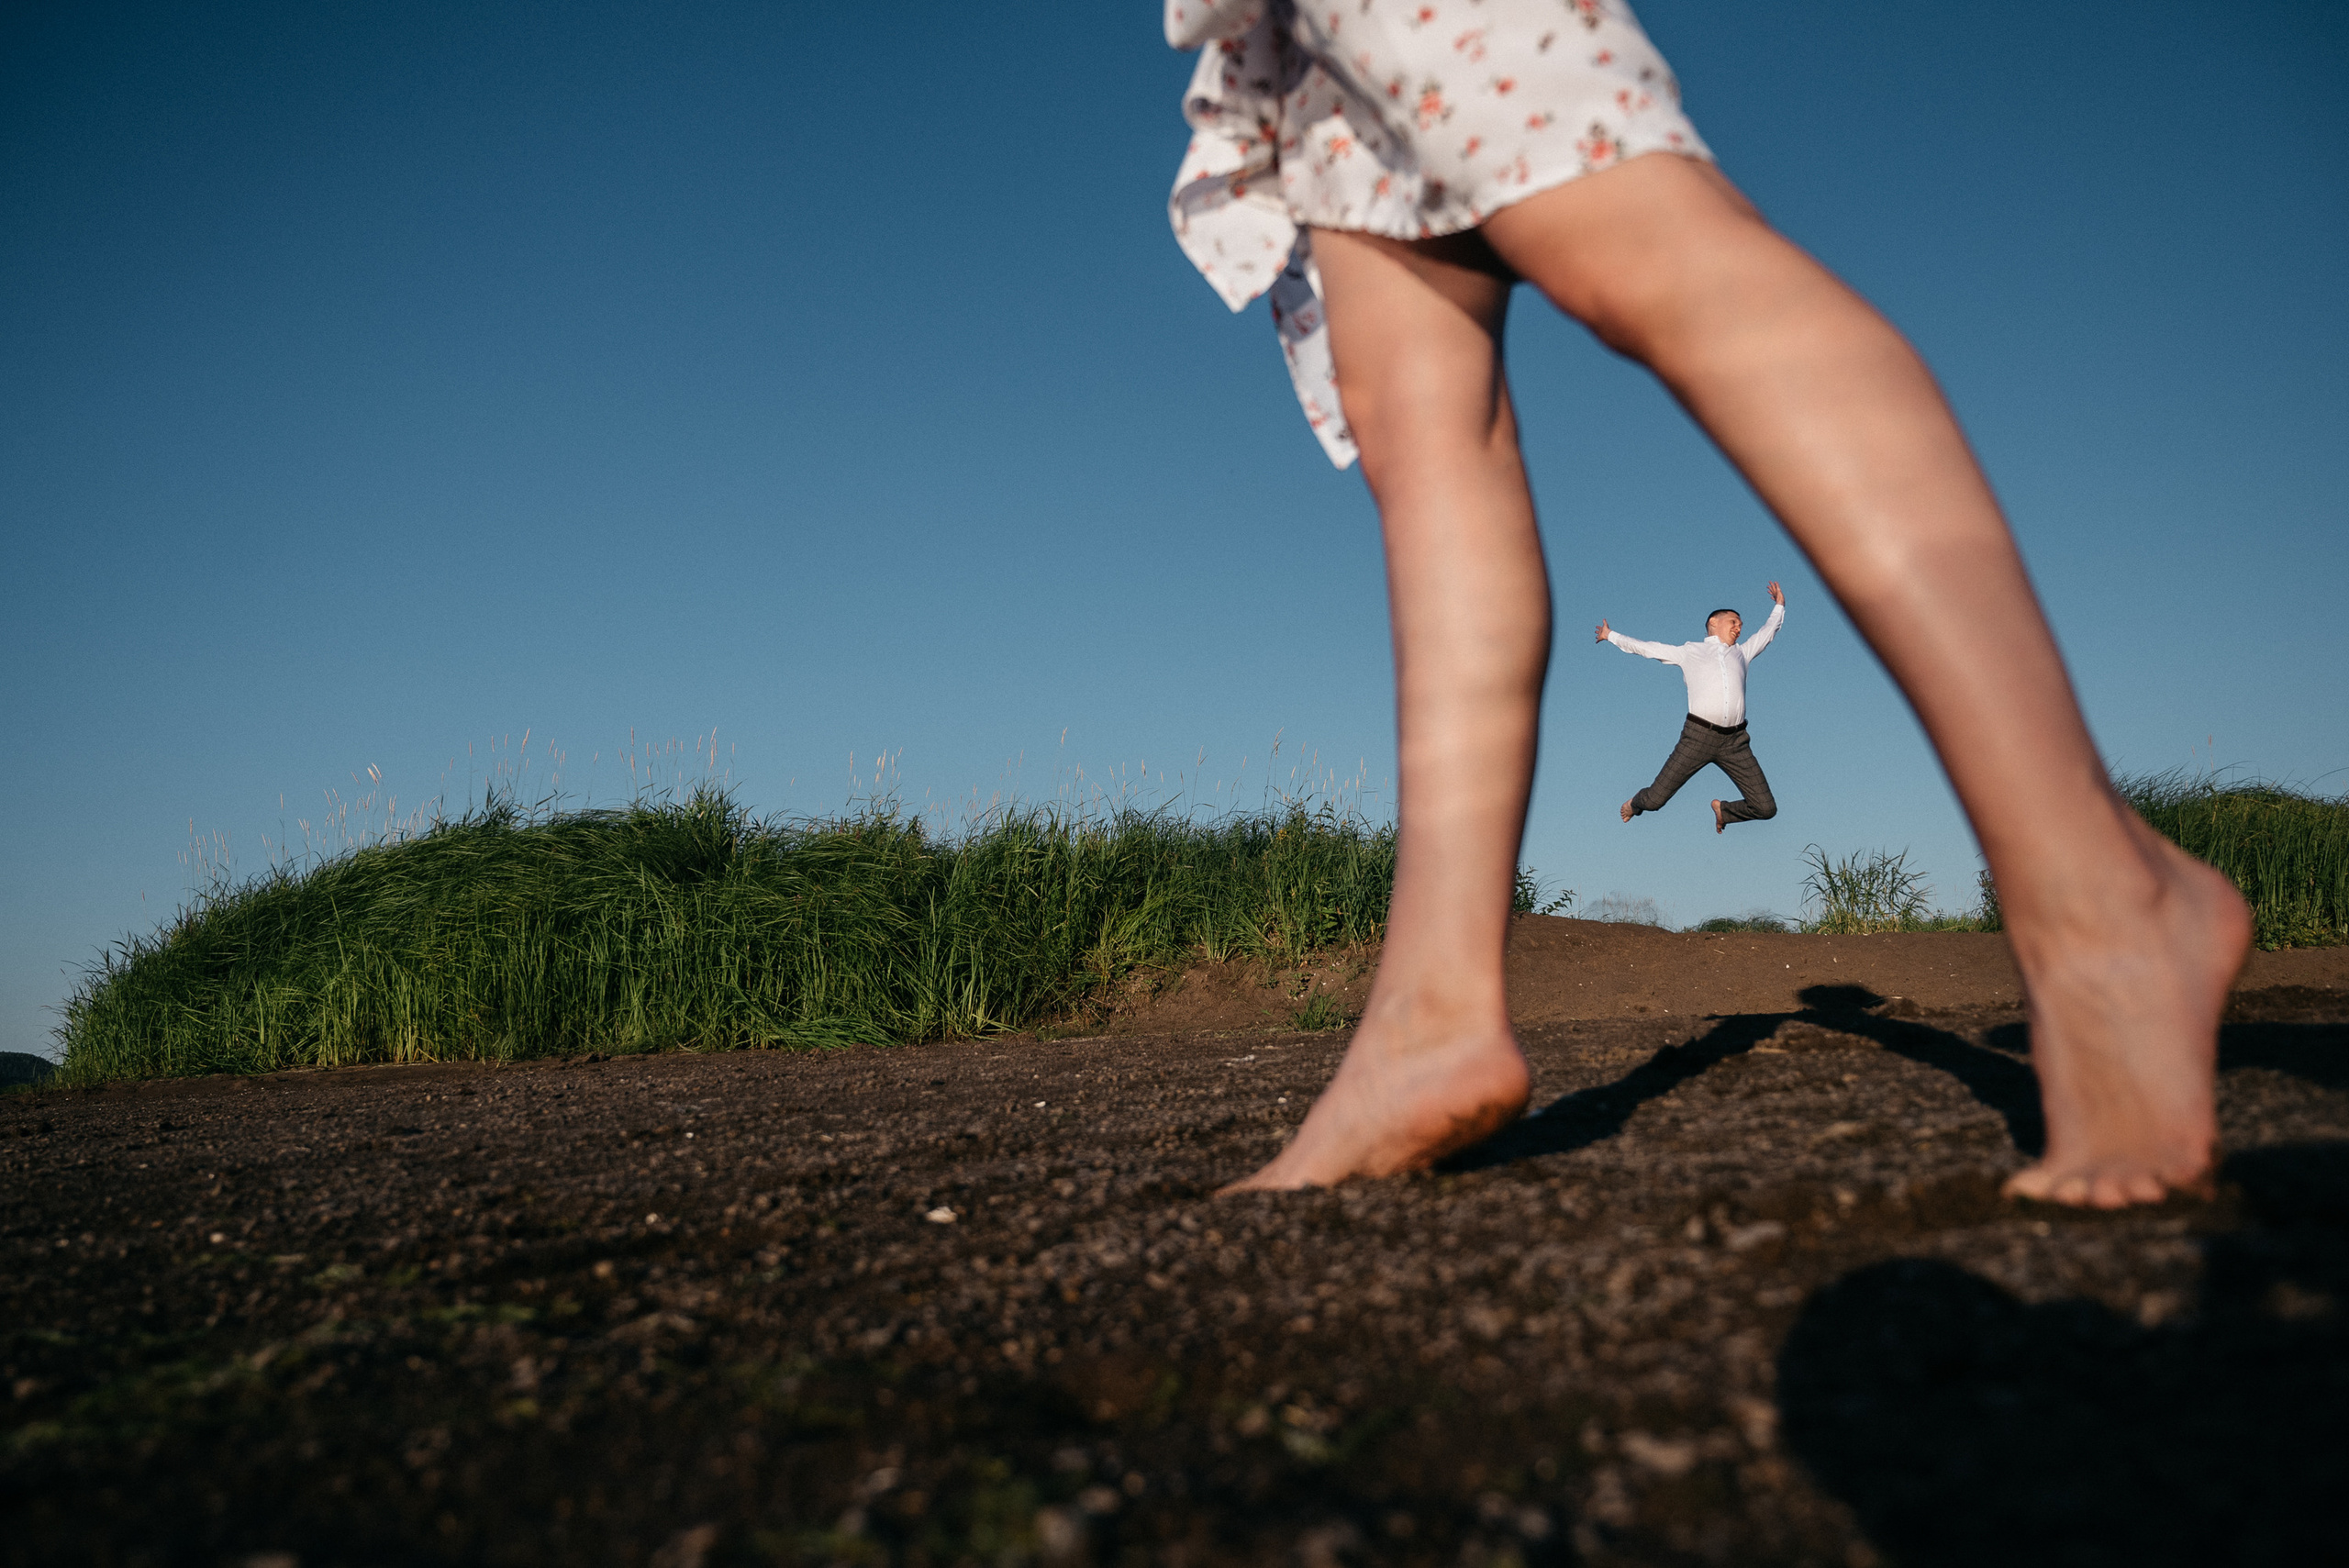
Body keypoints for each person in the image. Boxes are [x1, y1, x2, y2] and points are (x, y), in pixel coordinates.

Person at [1164, 0, 2248, 1207]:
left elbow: (1752, 636)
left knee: (1641, 242)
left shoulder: (1735, 640)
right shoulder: (1696, 648)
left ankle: (2106, 899)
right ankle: (1428, 1015)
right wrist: (1634, 640)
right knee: (1415, 424)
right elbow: (1660, 646)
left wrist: (1759, 619)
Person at [1601, 582, 1786, 835]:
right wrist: (1611, 635)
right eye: (1734, 621)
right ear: (1713, 623)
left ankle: (1725, 812)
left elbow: (1768, 631)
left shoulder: (1742, 653)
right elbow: (1648, 648)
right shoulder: (1691, 651)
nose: (1739, 627)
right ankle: (1635, 803)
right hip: (1698, 737)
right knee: (1654, 801)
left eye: (1741, 624)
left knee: (1766, 808)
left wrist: (1779, 605)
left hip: (1736, 742)